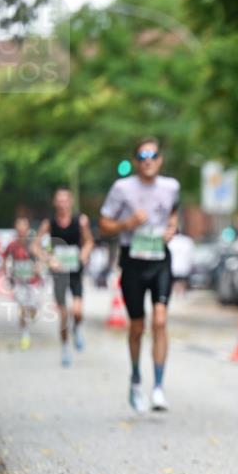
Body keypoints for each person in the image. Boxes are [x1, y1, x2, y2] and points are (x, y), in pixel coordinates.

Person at [99, 137, 179, 413]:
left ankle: (158, 387)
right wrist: (126, 223)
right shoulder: (122, 188)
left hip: (160, 259)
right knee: (137, 327)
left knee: (160, 320)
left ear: (160, 159)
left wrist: (172, 230)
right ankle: (135, 378)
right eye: (142, 156)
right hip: (132, 260)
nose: (148, 160)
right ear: (135, 161)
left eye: (153, 155)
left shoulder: (171, 187)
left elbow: (174, 216)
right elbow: (104, 223)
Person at [34, 187, 94, 367]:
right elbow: (35, 246)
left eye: (65, 200)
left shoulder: (80, 221)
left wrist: (84, 254)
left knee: (77, 311)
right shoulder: (49, 223)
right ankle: (66, 347)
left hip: (75, 271)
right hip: (59, 273)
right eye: (58, 200)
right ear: (55, 203)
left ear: (70, 202)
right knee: (63, 314)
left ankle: (77, 329)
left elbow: (89, 241)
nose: (62, 203)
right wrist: (47, 258)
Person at [3, 217, 41, 349]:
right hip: (19, 282)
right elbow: (4, 258)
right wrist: (7, 273)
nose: (21, 230)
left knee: (33, 310)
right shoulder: (12, 245)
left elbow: (41, 258)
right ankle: (25, 334)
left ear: (28, 228)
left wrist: (38, 267)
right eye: (19, 227)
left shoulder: (33, 244)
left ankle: (33, 313)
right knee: (22, 308)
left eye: (24, 227)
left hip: (33, 281)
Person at [167, 231, 194, 297]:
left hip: (174, 265)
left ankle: (176, 293)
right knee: (182, 281)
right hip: (183, 265)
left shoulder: (171, 240)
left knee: (174, 281)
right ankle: (181, 293)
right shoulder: (187, 240)